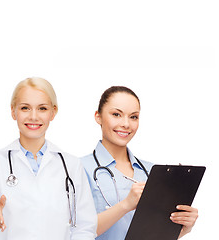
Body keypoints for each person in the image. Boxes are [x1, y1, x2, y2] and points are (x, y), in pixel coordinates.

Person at [0, 77, 97, 239]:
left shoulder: (71, 165)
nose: (33, 116)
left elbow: (85, 226)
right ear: (13, 111)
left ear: (53, 112)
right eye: (25, 108)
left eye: (42, 109)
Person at [80, 86, 199, 240]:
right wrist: (125, 205)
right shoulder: (78, 168)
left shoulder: (152, 172)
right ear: (98, 117)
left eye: (133, 117)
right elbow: (75, 231)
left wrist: (183, 228)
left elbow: (156, 234)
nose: (126, 124)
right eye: (116, 114)